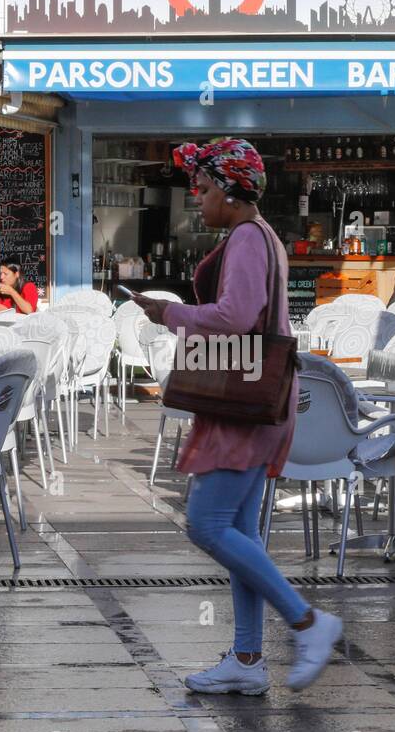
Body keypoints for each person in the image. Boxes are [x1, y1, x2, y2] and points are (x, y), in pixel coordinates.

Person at [132, 137, 343, 694]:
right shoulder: (261, 237)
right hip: (257, 399)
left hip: (243, 404)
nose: (197, 201)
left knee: (207, 523)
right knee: (241, 531)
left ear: (228, 190)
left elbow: (238, 314)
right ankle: (248, 660)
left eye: (202, 191)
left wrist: (169, 312)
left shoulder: (248, 238)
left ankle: (307, 621)